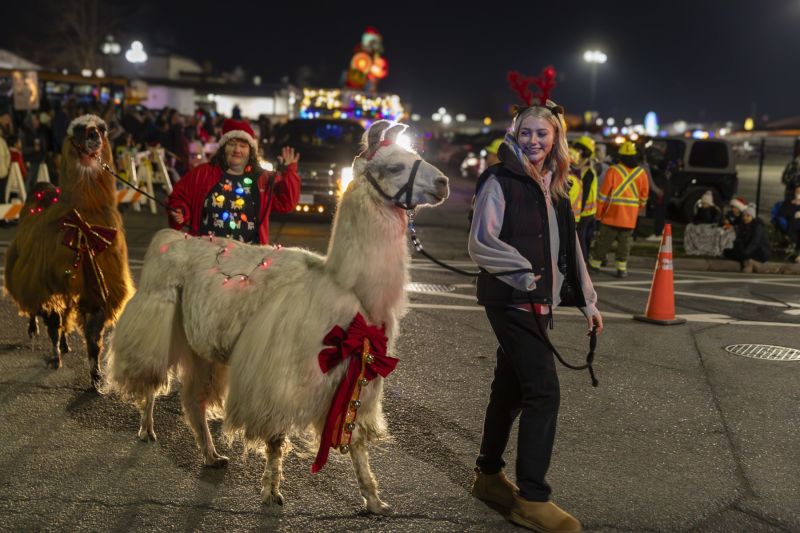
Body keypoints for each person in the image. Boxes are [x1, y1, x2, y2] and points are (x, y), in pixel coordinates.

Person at [468, 102, 603, 533]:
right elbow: (481, 241)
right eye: (526, 133)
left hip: (540, 301)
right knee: (543, 391)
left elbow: (571, 248)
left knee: (510, 388)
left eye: (542, 134)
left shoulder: (557, 183)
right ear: (514, 133)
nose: (533, 141)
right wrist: (523, 273)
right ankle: (532, 498)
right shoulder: (499, 179)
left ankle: (488, 477)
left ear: (555, 139)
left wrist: (588, 300)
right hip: (510, 299)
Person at [167, 118, 300, 245]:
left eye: (243, 146)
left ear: (251, 150)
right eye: (232, 144)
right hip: (206, 256)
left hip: (250, 259)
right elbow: (179, 196)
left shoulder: (263, 178)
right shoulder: (203, 173)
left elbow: (286, 203)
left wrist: (289, 173)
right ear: (223, 148)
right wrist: (181, 211)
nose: (237, 150)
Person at [588, 141, 649, 277]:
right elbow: (644, 197)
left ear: (620, 156)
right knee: (625, 244)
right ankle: (621, 268)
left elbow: (603, 196)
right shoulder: (641, 173)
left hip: (611, 215)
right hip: (630, 217)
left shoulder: (613, 170)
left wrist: (598, 214)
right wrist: (636, 208)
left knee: (604, 241)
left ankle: (595, 265)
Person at [571, 136, 598, 260]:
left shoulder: (586, 171)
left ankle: (582, 266)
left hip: (584, 213)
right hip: (587, 212)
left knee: (580, 240)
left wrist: (577, 213)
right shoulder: (585, 168)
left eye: (578, 149)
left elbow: (584, 194)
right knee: (584, 239)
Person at [723, 203, 771, 272]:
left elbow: (755, 243)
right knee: (727, 253)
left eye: (748, 216)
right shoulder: (742, 225)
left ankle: (751, 263)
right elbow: (740, 240)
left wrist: (745, 253)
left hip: (760, 251)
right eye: (744, 216)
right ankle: (749, 263)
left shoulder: (757, 227)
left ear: (752, 217)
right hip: (747, 249)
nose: (745, 218)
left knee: (742, 255)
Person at [682, 190, 731, 256]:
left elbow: (715, 221)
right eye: (703, 203)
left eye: (705, 203)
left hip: (711, 227)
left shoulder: (714, 211)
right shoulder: (700, 209)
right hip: (701, 226)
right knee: (689, 227)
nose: (704, 205)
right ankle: (692, 246)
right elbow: (696, 219)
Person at [771, 185, 800, 263]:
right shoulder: (788, 204)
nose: (799, 193)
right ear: (794, 193)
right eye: (798, 192)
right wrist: (794, 213)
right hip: (792, 228)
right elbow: (781, 215)